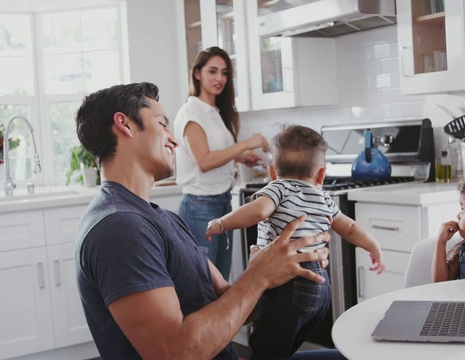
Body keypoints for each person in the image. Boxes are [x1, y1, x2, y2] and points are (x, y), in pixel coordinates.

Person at [74, 82, 340, 360]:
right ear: (124, 124)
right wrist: (258, 276)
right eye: (163, 124)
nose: (174, 139)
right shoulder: (119, 228)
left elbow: (226, 298)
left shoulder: (163, 219)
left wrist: (283, 269)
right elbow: (175, 352)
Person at [206, 125, 385, 359]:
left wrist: (222, 223)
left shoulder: (278, 188)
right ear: (321, 174)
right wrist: (374, 246)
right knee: (286, 345)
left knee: (266, 347)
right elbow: (350, 227)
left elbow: (259, 211)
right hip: (320, 287)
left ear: (272, 172)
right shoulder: (323, 198)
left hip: (287, 284)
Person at [174, 46, 269, 280]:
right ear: (197, 73)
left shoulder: (214, 112)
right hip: (199, 207)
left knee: (220, 280)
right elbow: (204, 161)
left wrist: (240, 157)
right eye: (213, 71)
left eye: (224, 73)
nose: (220, 79)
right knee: (204, 283)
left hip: (222, 202)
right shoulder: (191, 112)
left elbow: (212, 151)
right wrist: (248, 142)